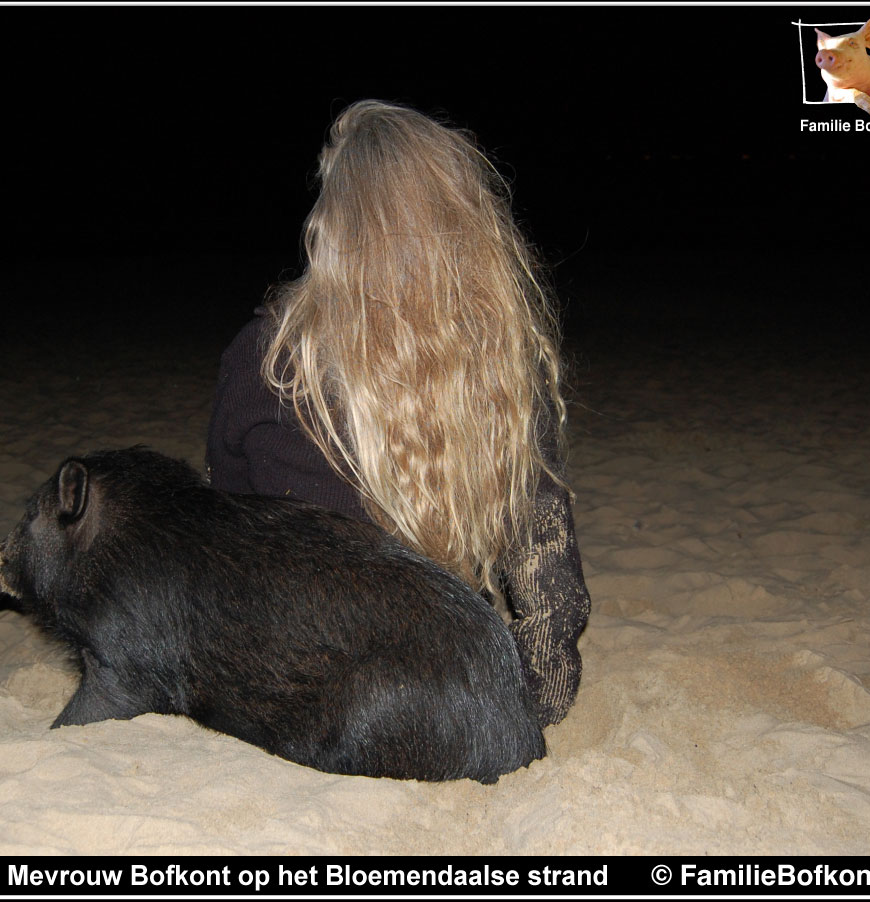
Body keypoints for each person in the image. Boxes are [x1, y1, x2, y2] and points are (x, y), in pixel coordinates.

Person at [205, 100, 590, 726]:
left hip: (296, 693)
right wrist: (523, 706)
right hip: (433, 682)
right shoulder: (501, 364)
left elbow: (227, 534)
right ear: (466, 224)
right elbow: (551, 592)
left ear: (331, 225)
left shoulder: (264, 356)